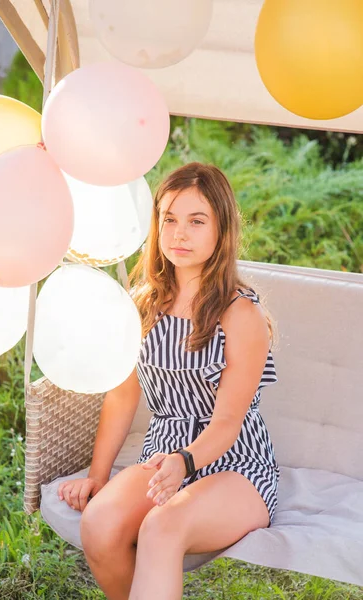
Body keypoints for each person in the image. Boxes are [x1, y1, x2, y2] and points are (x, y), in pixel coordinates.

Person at [58, 162, 280, 600]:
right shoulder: (143, 304)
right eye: (170, 220)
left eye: (197, 221)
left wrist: (186, 461)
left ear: (222, 229)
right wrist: (97, 476)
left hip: (236, 463)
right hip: (163, 457)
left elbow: (228, 422)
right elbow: (123, 396)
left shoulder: (241, 315)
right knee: (99, 524)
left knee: (162, 526)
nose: (179, 234)